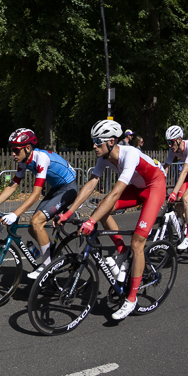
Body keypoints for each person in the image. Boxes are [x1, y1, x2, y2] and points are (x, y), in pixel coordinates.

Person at [56, 120, 166, 321]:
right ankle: (122, 253)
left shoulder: (129, 154)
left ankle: (131, 299)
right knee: (101, 210)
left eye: (98, 142)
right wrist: (69, 212)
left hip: (154, 187)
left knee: (137, 243)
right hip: (137, 187)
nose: (94, 146)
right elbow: (91, 184)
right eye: (94, 142)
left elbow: (115, 193)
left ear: (112, 142)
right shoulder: (105, 157)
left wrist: (90, 222)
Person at [0, 128, 78, 279]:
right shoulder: (25, 161)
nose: (13, 154)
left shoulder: (41, 159)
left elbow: (36, 194)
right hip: (57, 188)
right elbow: (12, 185)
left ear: (27, 148)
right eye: (12, 150)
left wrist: (15, 214)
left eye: (16, 150)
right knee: (33, 227)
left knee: (36, 221)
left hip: (68, 189)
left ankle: (47, 266)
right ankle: (53, 255)